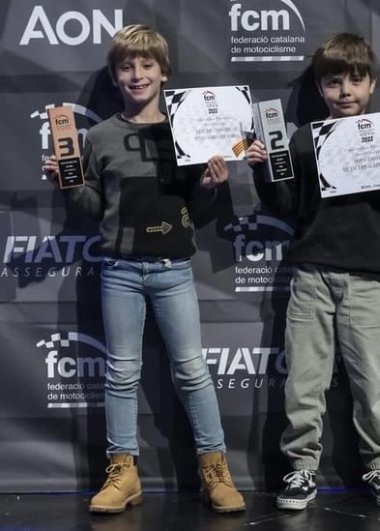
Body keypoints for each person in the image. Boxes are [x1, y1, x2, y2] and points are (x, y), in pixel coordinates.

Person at [42, 24, 245, 514]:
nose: (137, 74)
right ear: (115, 76)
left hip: (174, 268)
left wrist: (211, 185)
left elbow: (195, 209)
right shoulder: (99, 137)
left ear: (164, 72)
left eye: (146, 65)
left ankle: (215, 468)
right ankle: (123, 472)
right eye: (127, 67)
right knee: (120, 373)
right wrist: (69, 183)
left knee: (192, 370)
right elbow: (95, 208)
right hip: (119, 270)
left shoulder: (187, 131)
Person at [246, 33, 380, 511]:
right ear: (320, 87)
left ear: (371, 84)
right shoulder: (302, 140)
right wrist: (264, 170)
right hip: (311, 274)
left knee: (371, 382)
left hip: (368, 279)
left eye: (355, 80)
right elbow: (287, 206)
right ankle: (301, 468)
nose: (345, 91)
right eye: (333, 82)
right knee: (303, 381)